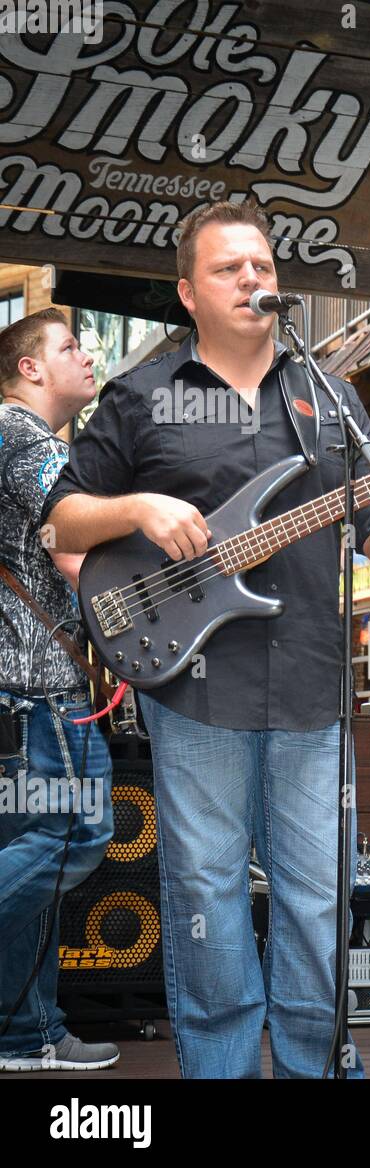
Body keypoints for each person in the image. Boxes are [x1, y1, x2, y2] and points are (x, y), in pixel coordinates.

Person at [42, 200, 370, 1078]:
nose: (253, 281)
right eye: (231, 269)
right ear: (189, 293)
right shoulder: (142, 393)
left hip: (311, 682)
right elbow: (64, 520)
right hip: (193, 685)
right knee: (205, 892)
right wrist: (141, 507)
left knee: (318, 897)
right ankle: (221, 1068)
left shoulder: (327, 395)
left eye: (264, 267)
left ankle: (313, 1063)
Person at [0, 307, 118, 1072]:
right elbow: (78, 540)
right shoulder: (22, 437)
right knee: (74, 835)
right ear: (30, 368)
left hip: (30, 684)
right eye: (70, 347)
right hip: (37, 684)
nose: (88, 357)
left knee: (38, 858)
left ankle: (25, 1035)